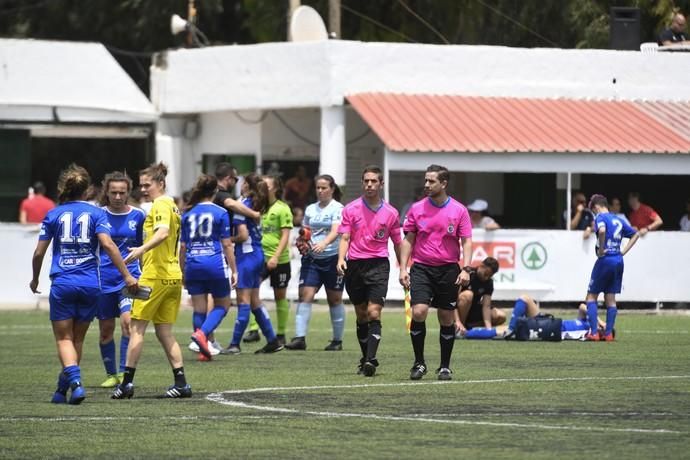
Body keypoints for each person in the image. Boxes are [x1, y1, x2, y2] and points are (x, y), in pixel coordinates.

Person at [29, 164, 137, 404]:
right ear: (88, 189)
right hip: (90, 284)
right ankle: (60, 390)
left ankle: (76, 384)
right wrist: (127, 276)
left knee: (63, 339)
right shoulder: (97, 214)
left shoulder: (54, 214)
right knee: (77, 340)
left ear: (63, 188)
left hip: (63, 283)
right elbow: (108, 245)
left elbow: (38, 253)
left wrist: (35, 278)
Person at [112, 162, 191, 399]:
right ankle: (181, 383)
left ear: (161, 184)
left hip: (155, 276)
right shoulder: (174, 206)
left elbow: (163, 232)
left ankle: (126, 383)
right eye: (142, 185)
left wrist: (140, 250)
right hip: (173, 277)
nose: (143, 189)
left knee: (135, 329)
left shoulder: (160, 204)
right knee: (164, 332)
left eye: (148, 185)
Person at [399, 164, 472, 381]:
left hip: (448, 269)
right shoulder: (416, 208)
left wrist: (466, 269)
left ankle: (445, 366)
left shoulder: (459, 210)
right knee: (419, 312)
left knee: (446, 317)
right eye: (426, 180)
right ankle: (419, 363)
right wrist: (403, 268)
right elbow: (408, 240)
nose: (427, 185)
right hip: (421, 267)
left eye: (431, 181)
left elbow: (466, 241)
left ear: (444, 184)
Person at [337, 165, 402, 377]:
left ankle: (371, 359)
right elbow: (345, 237)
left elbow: (398, 241)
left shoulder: (391, 212)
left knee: (374, 312)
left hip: (379, 264)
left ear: (381, 184)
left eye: (374, 181)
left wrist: (404, 268)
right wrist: (340, 259)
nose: (369, 185)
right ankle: (365, 358)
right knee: (361, 314)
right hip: (355, 266)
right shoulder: (350, 209)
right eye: (366, 181)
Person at [221, 173, 284, 355]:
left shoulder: (245, 205)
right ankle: (272, 340)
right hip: (257, 254)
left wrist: (226, 239)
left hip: (247, 256)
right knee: (255, 301)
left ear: (246, 186)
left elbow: (243, 235)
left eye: (242, 182)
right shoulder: (256, 204)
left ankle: (234, 344)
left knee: (243, 300)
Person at [96, 171, 146, 388]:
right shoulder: (97, 215)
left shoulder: (139, 215)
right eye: (113, 192)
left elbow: (142, 247)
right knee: (106, 329)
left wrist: (143, 272)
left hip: (130, 280)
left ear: (128, 193)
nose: (117, 196)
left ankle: (125, 374)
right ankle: (111, 374)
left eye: (122, 193)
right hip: (103, 280)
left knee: (127, 324)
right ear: (106, 192)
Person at [181, 175, 238, 362]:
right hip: (214, 264)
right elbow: (227, 245)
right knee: (223, 304)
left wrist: (182, 269)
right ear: (215, 191)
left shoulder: (187, 213)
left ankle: (202, 350)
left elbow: (182, 247)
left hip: (192, 263)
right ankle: (202, 335)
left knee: (199, 309)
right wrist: (234, 270)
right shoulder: (220, 212)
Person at [286, 174, 346, 351]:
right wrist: (301, 240)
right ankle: (299, 338)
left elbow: (337, 230)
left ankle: (337, 341)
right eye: (318, 188)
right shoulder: (311, 208)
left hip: (333, 258)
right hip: (312, 259)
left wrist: (325, 243)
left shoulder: (338, 208)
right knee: (305, 295)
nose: (320, 191)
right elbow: (306, 230)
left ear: (332, 189)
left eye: (324, 188)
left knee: (334, 299)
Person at [210, 162, 261, 345]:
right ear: (228, 178)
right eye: (236, 179)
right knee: (225, 299)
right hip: (232, 251)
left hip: (224, 251)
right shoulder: (225, 197)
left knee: (246, 299)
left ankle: (210, 337)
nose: (237, 183)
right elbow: (232, 205)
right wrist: (254, 214)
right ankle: (209, 337)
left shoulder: (210, 197)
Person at [584, 194, 640, 342]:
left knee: (591, 296)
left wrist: (601, 250)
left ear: (597, 207)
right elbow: (636, 234)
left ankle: (594, 333)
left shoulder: (601, 217)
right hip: (618, 260)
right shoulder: (619, 219)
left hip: (605, 260)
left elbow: (601, 231)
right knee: (610, 299)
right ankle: (608, 334)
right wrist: (623, 251)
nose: (595, 214)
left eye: (594, 211)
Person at [258, 175, 293, 346]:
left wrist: (276, 257)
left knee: (280, 295)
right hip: (259, 258)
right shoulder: (258, 208)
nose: (262, 187)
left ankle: (281, 333)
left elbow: (286, 235)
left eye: (266, 185)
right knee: (250, 291)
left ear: (275, 188)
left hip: (279, 260)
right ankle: (252, 329)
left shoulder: (282, 208)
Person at [455, 257, 506, 337]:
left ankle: (471, 329)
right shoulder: (467, 274)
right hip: (459, 310)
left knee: (500, 316)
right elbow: (452, 299)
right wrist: (457, 320)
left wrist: (488, 330)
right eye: (486, 274)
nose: (486, 278)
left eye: (490, 276)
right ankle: (459, 328)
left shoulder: (489, 282)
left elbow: (486, 306)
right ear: (481, 266)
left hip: (474, 311)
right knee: (468, 295)